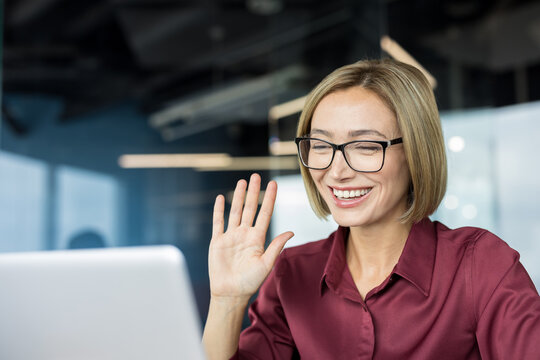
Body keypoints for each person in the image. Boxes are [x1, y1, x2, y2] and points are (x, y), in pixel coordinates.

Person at [202, 59, 540, 359]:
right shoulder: (291, 273)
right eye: (320, 145)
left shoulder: (479, 264)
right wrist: (227, 301)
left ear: (414, 152)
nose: (337, 171)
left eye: (364, 146)